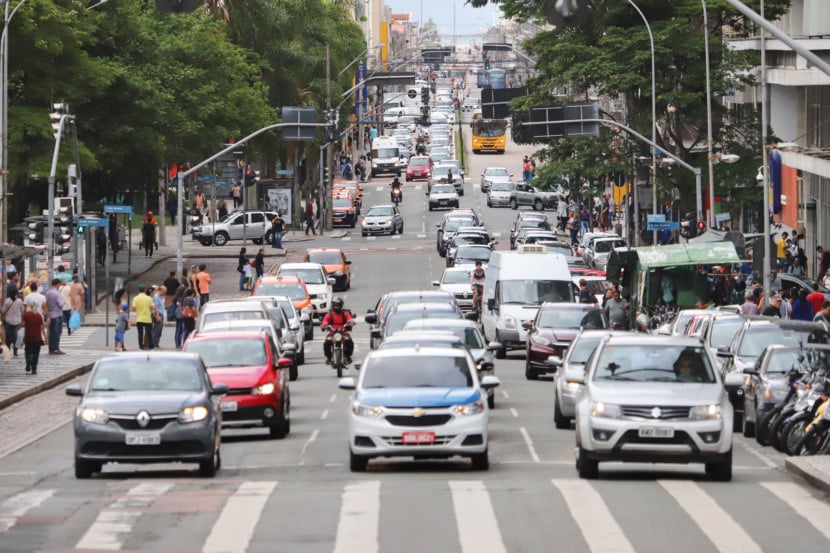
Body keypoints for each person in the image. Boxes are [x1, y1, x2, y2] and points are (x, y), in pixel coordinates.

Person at [321, 297, 354, 364]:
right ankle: (329, 358)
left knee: (349, 342)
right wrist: (324, 325)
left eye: (338, 304)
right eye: (335, 304)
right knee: (327, 343)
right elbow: (324, 322)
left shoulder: (345, 313)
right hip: (332, 334)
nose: (336, 306)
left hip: (343, 333)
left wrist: (351, 322)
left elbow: (350, 320)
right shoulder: (329, 314)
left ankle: (348, 356)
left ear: (341, 305)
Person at [22, 300, 45, 374]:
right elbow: (42, 327)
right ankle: (34, 369)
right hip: (37, 338)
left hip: (28, 337)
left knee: (28, 351)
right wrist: (45, 337)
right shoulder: (39, 316)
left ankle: (28, 362)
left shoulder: (27, 315)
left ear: (31, 306)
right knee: (36, 353)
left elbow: (22, 324)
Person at [131, 284, 155, 350]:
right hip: (147, 318)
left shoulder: (135, 298)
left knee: (140, 334)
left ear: (138, 290)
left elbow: (133, 309)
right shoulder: (149, 298)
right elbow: (152, 308)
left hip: (139, 318)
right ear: (144, 290)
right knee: (149, 333)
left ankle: (141, 347)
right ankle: (151, 347)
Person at [44, 279, 65, 354]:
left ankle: (51, 348)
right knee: (57, 333)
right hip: (57, 314)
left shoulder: (47, 292)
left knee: (51, 333)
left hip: (50, 314)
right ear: (57, 284)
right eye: (59, 285)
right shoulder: (57, 293)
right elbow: (60, 304)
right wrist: (63, 302)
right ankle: (56, 348)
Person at [2, 288, 24, 356]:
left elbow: (3, 310)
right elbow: (22, 310)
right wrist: (22, 320)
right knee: (16, 336)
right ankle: (15, 350)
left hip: (8, 321)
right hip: (17, 321)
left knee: (8, 336)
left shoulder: (7, 301)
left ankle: (8, 350)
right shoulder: (19, 301)